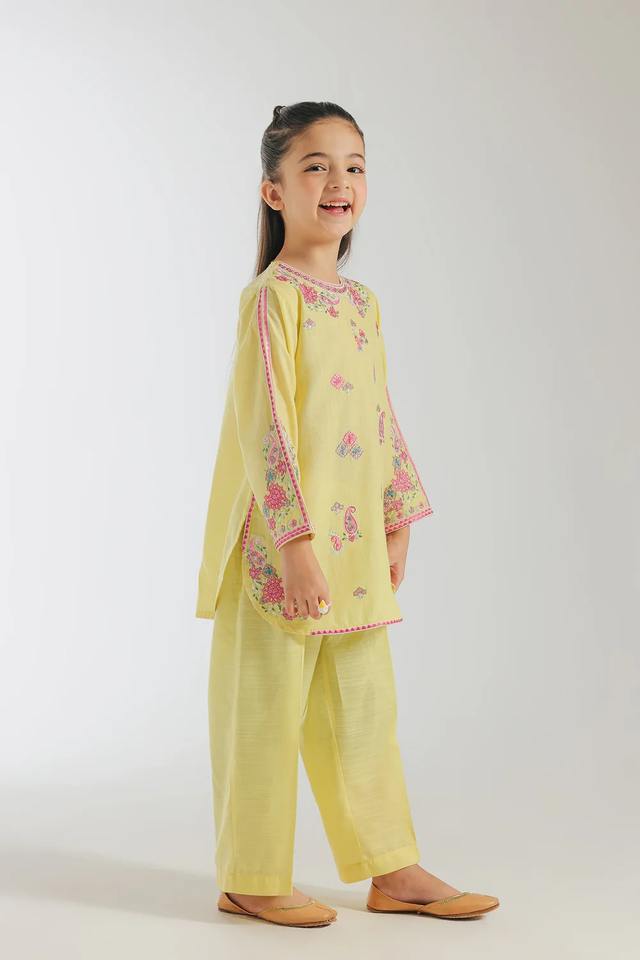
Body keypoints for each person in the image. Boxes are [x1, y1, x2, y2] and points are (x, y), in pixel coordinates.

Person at [195, 101, 500, 929]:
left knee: (364, 712)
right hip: (280, 551)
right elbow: (265, 429)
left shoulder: (361, 302)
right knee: (263, 712)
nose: (339, 182)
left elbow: (377, 412)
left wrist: (398, 514)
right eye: (316, 165)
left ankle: (392, 868)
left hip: (353, 544)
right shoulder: (272, 299)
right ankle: (251, 877)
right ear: (274, 191)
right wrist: (294, 543)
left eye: (354, 165)